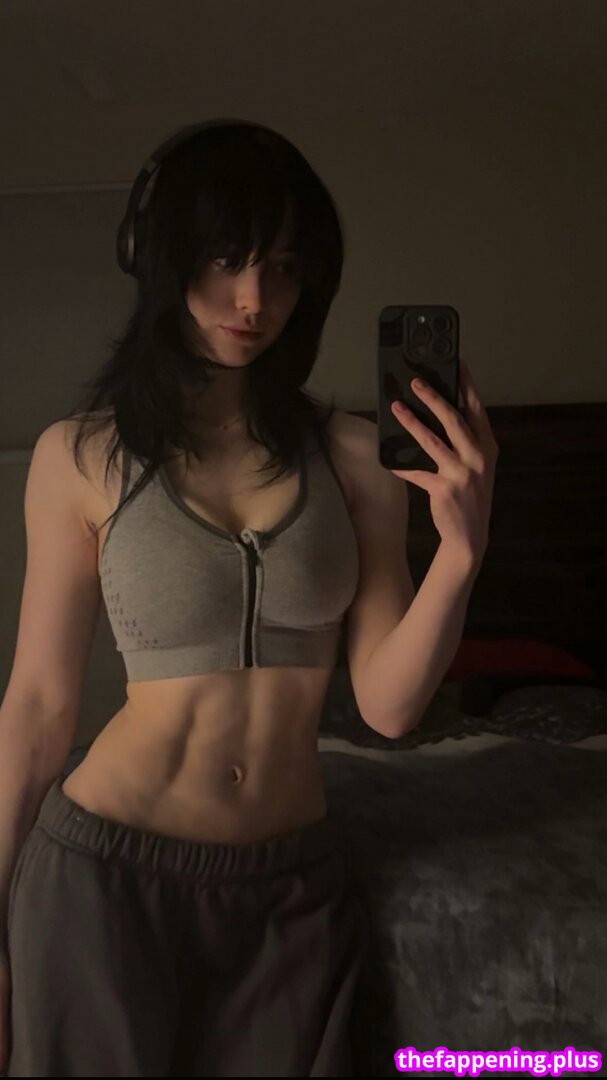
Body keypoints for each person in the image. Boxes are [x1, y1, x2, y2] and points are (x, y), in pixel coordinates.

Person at [0, 120, 376, 1077]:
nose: (255, 300)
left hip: (291, 888)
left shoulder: (350, 453)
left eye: (284, 269)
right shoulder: (77, 455)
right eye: (224, 259)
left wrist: (466, 540)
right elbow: (37, 706)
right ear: (157, 257)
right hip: (103, 880)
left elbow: (391, 704)